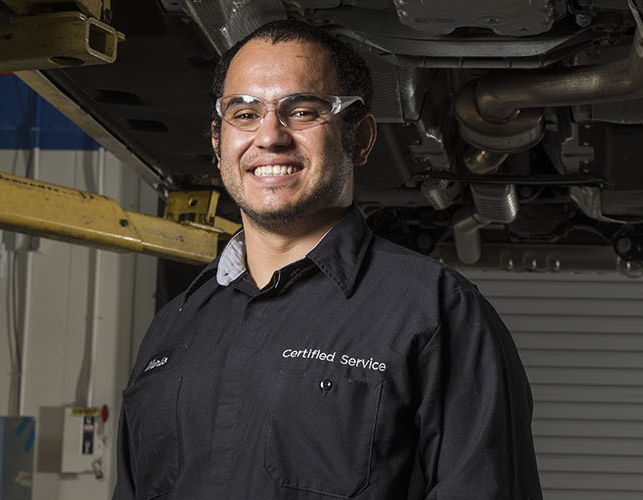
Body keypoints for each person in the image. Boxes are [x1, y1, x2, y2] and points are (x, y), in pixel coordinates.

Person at [112, 19, 543, 499]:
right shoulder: (174, 325)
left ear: (359, 139)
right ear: (217, 142)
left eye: (301, 111)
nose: (270, 136)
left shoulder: (438, 314)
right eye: (245, 113)